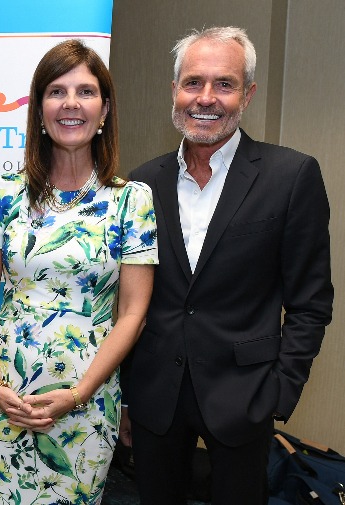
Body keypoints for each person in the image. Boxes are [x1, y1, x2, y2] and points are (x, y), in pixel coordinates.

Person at [121, 26, 334, 505]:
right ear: (174, 90)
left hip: (246, 396)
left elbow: (311, 301)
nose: (206, 98)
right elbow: (131, 300)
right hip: (157, 396)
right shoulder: (141, 183)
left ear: (248, 94)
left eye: (225, 84)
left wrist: (279, 392)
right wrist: (129, 395)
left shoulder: (292, 175)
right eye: (194, 82)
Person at [0, 39, 158, 504]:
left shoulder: (131, 200)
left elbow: (134, 312)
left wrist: (78, 393)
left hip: (86, 407)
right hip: (4, 404)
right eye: (56, 91)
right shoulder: (5, 194)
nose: (71, 104)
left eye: (86, 91)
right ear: (38, 109)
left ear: (105, 108)